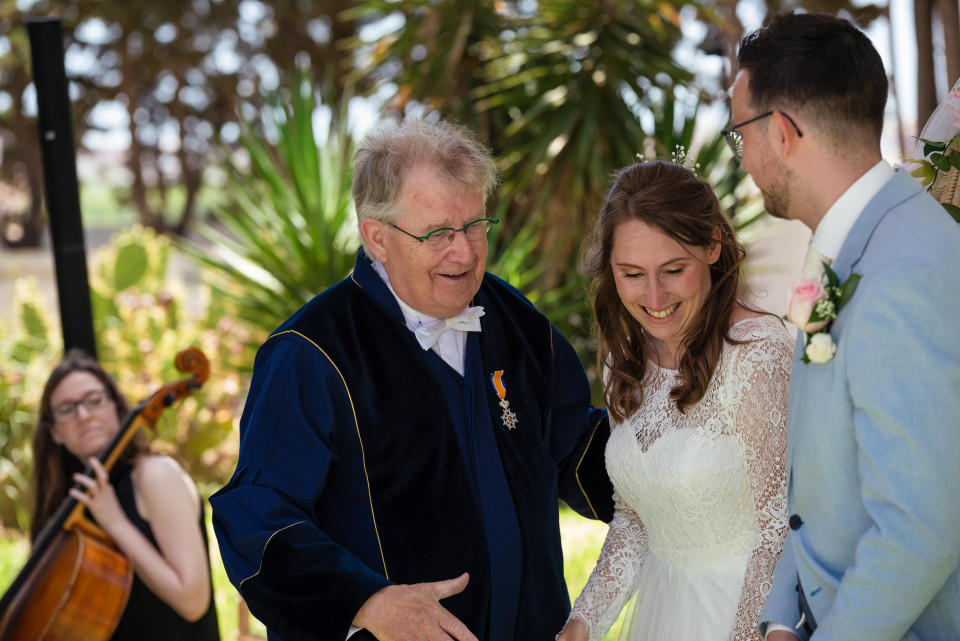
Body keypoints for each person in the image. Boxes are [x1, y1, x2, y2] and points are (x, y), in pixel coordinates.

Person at [210, 118, 614, 641]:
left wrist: (675, 473)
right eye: (439, 233)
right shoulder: (310, 354)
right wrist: (367, 601)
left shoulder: (516, 320)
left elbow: (575, 444)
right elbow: (257, 520)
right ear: (377, 237)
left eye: (474, 225)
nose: (466, 253)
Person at [726, 12, 960, 641]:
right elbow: (810, 465)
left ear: (780, 133)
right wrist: (780, 617)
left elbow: (922, 529)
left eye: (739, 133)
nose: (740, 154)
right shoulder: (833, 253)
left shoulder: (902, 271)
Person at [555, 160, 793, 641]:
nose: (654, 296)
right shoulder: (624, 362)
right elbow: (636, 520)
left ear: (712, 246)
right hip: (664, 617)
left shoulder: (756, 352)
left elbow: (778, 526)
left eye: (673, 269)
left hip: (746, 613)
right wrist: (579, 627)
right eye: (632, 274)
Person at [30, 349, 220, 641]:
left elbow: (193, 602)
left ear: (115, 406)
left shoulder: (155, 476)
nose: (83, 415)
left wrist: (116, 523)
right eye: (67, 409)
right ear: (54, 431)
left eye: (94, 400)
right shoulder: (72, 504)